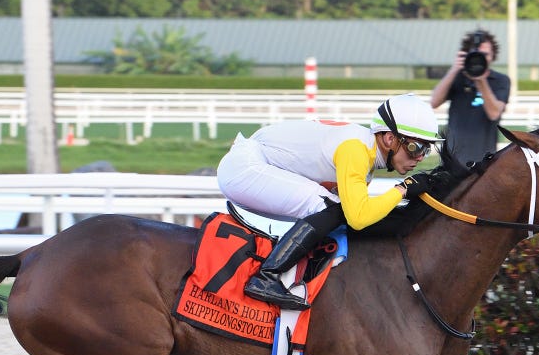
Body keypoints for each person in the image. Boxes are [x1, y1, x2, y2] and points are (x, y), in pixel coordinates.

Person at [216, 92, 443, 311]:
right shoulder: (356, 150)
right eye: (415, 147)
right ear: (389, 138)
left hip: (255, 164)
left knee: (334, 209)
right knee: (328, 207)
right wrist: (402, 189)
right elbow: (358, 217)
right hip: (245, 168)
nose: (419, 157)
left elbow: (359, 214)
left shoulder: (366, 155)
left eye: (426, 149)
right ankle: (266, 276)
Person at [430, 29, 511, 169]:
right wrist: (454, 70)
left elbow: (494, 113)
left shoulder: (500, 80)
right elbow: (434, 102)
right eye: (476, 54)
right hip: (453, 160)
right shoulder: (458, 77)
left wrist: (481, 80)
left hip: (484, 161)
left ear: (493, 56)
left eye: (485, 54)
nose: (480, 58)